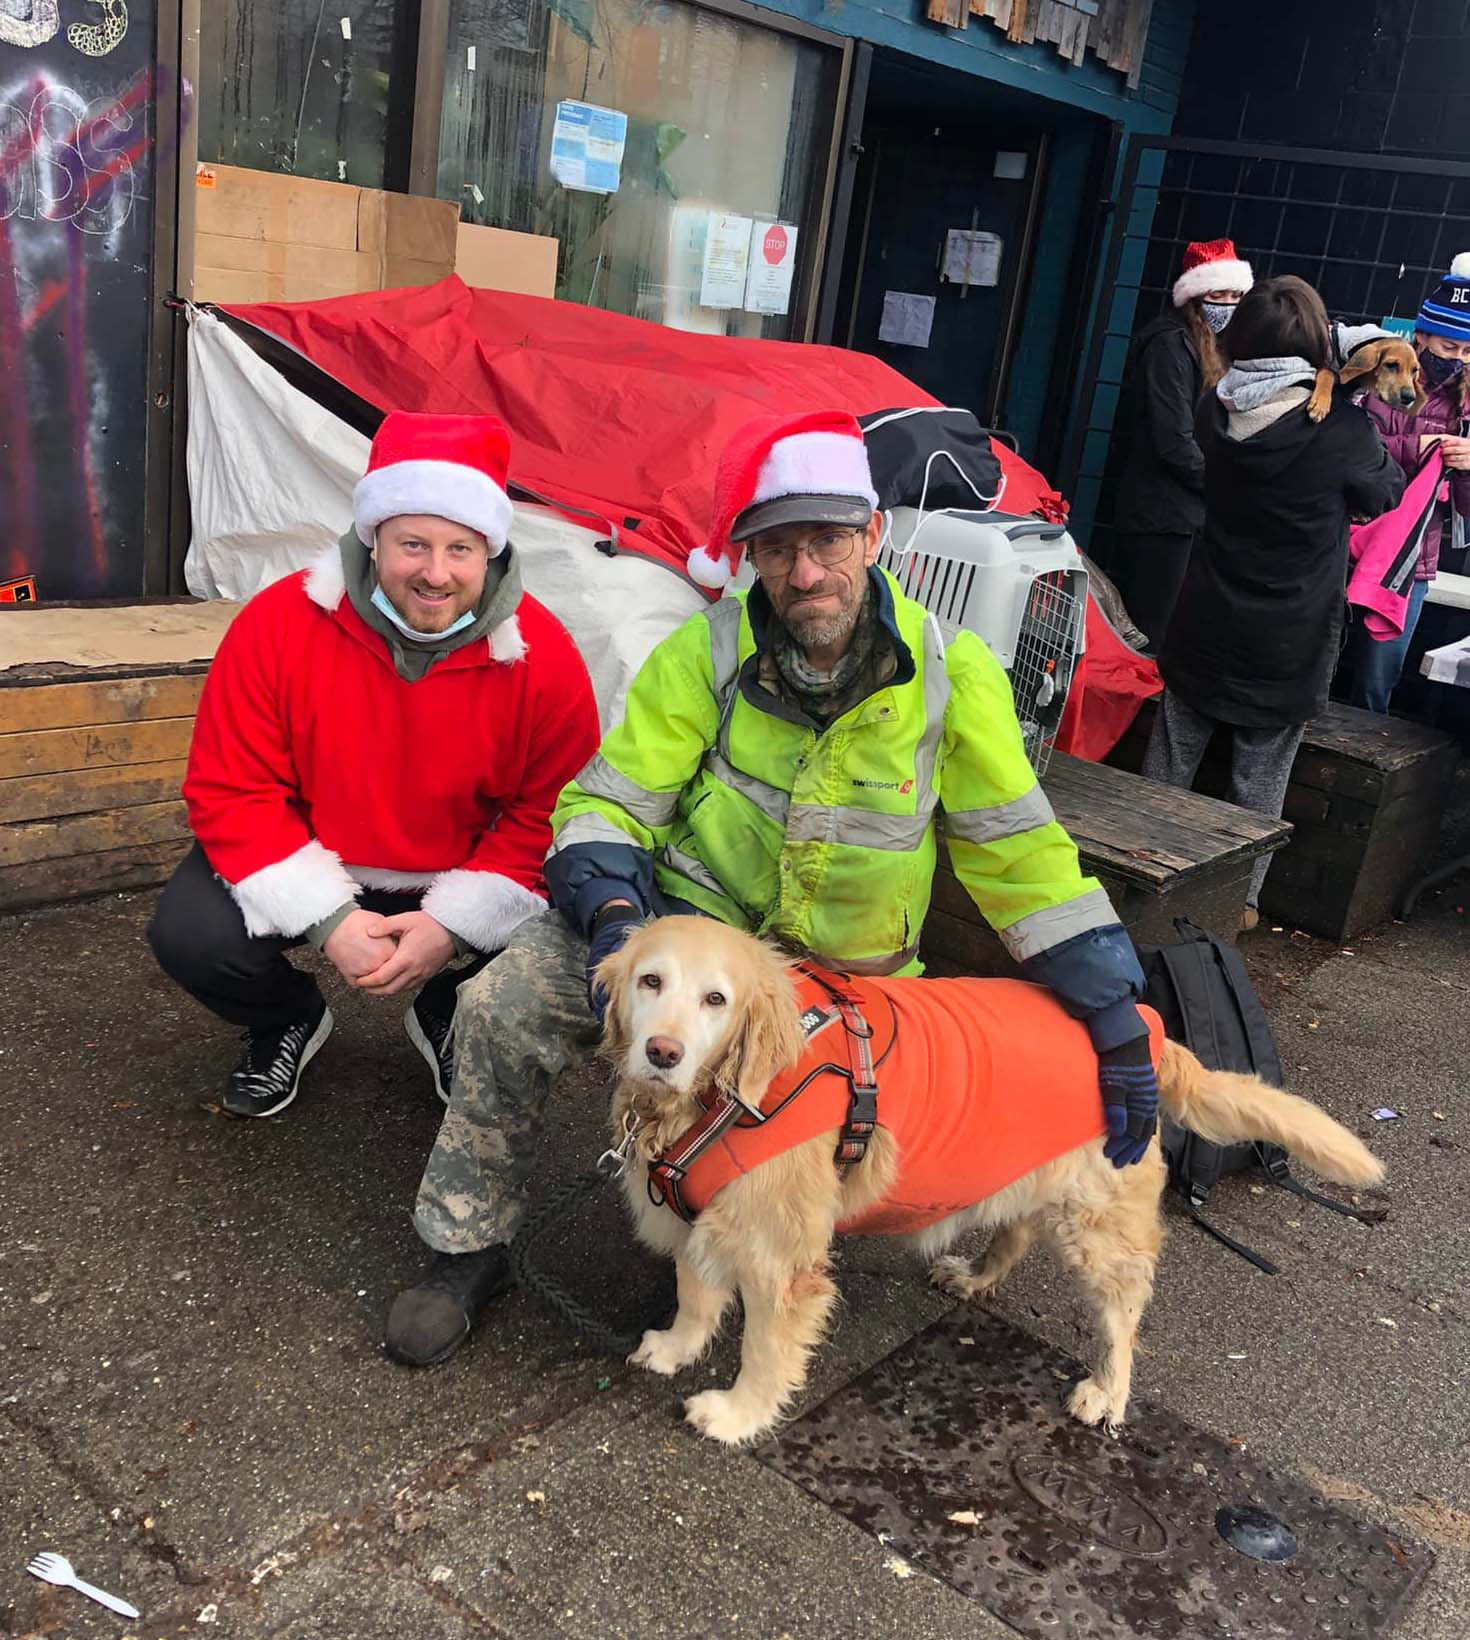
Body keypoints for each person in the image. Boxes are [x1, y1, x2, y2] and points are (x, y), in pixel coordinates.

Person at [386, 408, 1161, 1367]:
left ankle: (739, 1236)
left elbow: (1020, 852)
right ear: (750, 557)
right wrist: (617, 916)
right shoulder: (702, 654)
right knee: (502, 1004)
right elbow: (606, 805)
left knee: (832, 1157)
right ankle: (465, 1243)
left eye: (828, 543)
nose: (805, 574)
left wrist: (1113, 1007)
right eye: (779, 548)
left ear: (873, 537)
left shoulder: (953, 675)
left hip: (850, 982)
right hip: (685, 941)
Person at [148, 411, 600, 1119]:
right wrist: (328, 919)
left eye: (460, 548)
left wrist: (451, 927)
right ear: (373, 539)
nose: (435, 572)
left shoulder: (545, 659)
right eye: (412, 544)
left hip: (456, 871)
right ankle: (285, 1016)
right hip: (320, 855)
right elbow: (233, 789)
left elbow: (553, 809)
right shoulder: (277, 624)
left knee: (583, 923)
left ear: (491, 553)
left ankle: (452, 1008)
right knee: (190, 935)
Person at [1144, 277, 1405, 928]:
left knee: (1170, 759)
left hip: (1206, 611)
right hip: (1291, 629)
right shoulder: (1339, 429)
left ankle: (1138, 874)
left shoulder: (1214, 408)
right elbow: (1384, 493)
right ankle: (1236, 906)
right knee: (1259, 778)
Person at [1112, 238, 1254, 652]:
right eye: (1218, 295)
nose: (1227, 304)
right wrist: (1225, 484)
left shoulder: (1214, 346)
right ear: (1194, 296)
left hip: (1187, 514)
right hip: (1162, 516)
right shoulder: (1169, 344)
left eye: (1235, 295)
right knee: (1152, 631)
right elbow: (1172, 441)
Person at [1352, 253, 1470, 712]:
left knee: (1380, 676)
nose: (1456, 360)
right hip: (1348, 538)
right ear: (1421, 336)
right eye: (1447, 347)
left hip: (1413, 560)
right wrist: (1422, 447)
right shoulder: (1379, 373)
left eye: (1467, 351)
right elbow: (1358, 447)